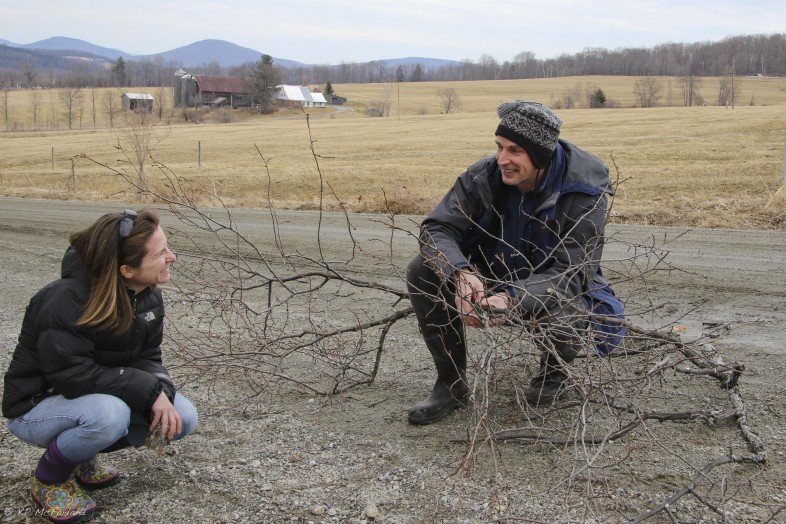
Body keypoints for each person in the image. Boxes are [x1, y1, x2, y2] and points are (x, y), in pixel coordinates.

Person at [406, 99, 625, 425]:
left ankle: (555, 374)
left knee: (571, 314)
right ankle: (451, 386)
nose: (502, 159)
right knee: (422, 269)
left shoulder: (584, 191)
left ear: (540, 155)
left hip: (550, 283)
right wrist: (461, 274)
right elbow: (437, 228)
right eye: (499, 147)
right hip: (493, 269)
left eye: (514, 151)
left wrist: (512, 299)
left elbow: (573, 271)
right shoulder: (483, 176)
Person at [2, 209, 198, 523]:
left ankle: (80, 457)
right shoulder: (64, 300)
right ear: (126, 269)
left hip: (87, 397)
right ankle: (49, 481)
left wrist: (160, 391)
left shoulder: (147, 297)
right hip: (34, 408)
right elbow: (72, 377)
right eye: (161, 253)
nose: (172, 257)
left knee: (183, 417)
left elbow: (148, 358)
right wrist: (147, 391)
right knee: (110, 415)